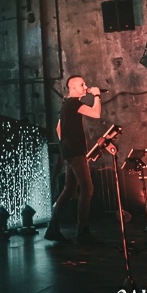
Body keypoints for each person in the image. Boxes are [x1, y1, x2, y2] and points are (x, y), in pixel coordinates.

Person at [44, 75, 102, 245]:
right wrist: (97, 95)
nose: (85, 86)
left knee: (69, 188)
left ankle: (53, 228)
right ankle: (82, 231)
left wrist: (65, 146)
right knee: (87, 188)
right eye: (82, 84)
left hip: (70, 152)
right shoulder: (74, 103)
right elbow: (96, 113)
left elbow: (58, 128)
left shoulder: (66, 105)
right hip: (75, 152)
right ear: (73, 88)